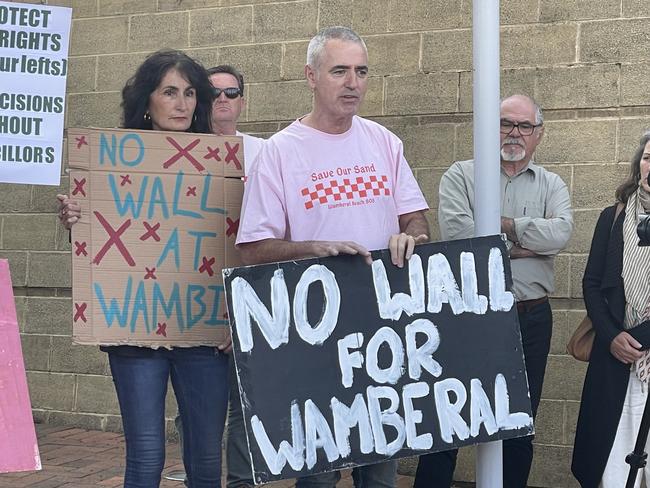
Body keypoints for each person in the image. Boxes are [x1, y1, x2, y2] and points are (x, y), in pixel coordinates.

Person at [233, 26, 429, 488]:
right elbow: (252, 249)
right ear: (311, 76)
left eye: (361, 71)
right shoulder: (279, 152)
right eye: (339, 70)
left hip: (384, 328)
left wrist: (412, 238)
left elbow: (417, 221)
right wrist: (313, 249)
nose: (353, 82)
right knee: (319, 474)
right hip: (316, 333)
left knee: (381, 470)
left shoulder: (384, 142)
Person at [57, 49, 229, 488]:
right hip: (135, 331)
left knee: (208, 460)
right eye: (169, 92)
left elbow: (243, 242)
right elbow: (101, 245)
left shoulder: (224, 164)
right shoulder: (109, 162)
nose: (182, 103)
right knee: (146, 456)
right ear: (146, 101)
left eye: (190, 93)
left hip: (204, 330)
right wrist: (78, 220)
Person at [415, 94, 574, 488]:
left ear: (539, 134)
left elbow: (560, 234)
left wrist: (501, 229)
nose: (515, 133)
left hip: (530, 317)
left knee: (519, 421)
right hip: (467, 314)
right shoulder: (461, 175)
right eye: (506, 123)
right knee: (447, 420)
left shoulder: (552, 184)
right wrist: (523, 244)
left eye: (525, 126)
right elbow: (460, 238)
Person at [572, 132, 650, 487]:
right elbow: (591, 283)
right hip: (614, 357)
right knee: (611, 461)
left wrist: (636, 338)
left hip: (641, 352)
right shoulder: (613, 217)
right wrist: (612, 335)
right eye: (648, 158)